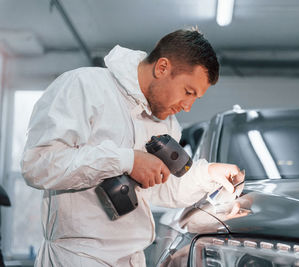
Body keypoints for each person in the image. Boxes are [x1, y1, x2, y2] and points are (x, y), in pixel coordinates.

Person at [21, 28, 241, 266]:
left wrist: (207, 174)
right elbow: (38, 165)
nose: (188, 106)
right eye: (188, 92)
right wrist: (127, 161)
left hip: (133, 258)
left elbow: (164, 188)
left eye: (195, 98)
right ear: (162, 68)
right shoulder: (84, 87)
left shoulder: (167, 124)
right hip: (76, 258)